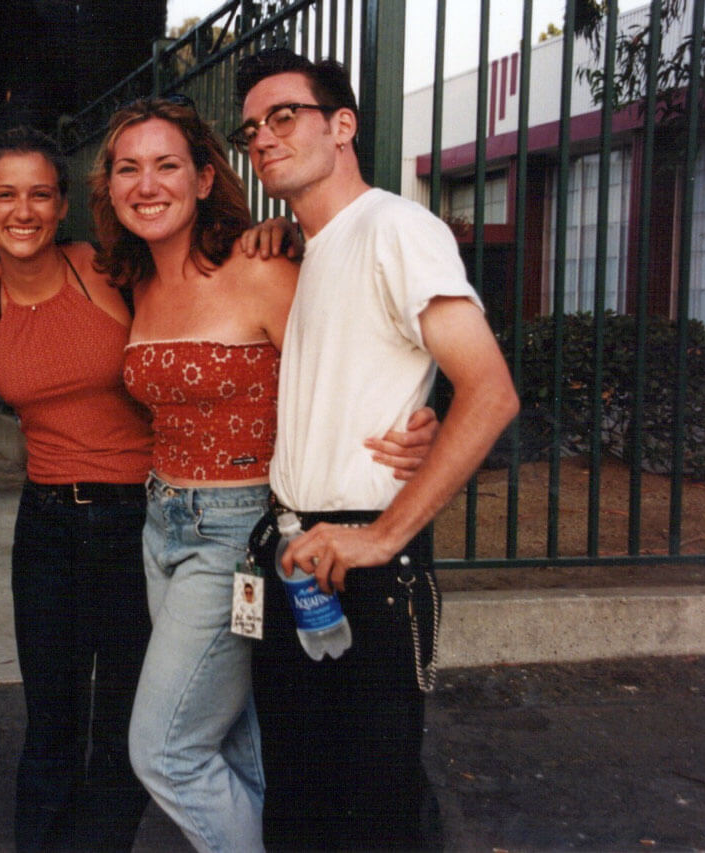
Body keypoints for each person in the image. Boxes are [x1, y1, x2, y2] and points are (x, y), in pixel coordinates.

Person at [87, 97, 438, 852]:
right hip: (162, 526)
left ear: (206, 176)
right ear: (109, 188)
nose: (147, 184)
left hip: (237, 529)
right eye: (128, 168)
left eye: (167, 165)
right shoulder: (133, 282)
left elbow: (355, 362)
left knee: (166, 750)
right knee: (236, 740)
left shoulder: (262, 266)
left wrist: (419, 420)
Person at [231, 48, 519, 849]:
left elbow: (490, 391)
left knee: (375, 802)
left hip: (366, 557)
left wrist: (385, 535)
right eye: (252, 127)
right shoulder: (307, 245)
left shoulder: (398, 227)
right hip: (294, 545)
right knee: (299, 794)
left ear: (343, 124)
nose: (264, 137)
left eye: (285, 115)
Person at [0, 126, 153, 850]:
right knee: (51, 720)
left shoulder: (108, 269)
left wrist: (273, 239)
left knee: (125, 720)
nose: (23, 209)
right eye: (5, 194)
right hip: (46, 526)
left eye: (40, 192)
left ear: (62, 202)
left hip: (138, 519)